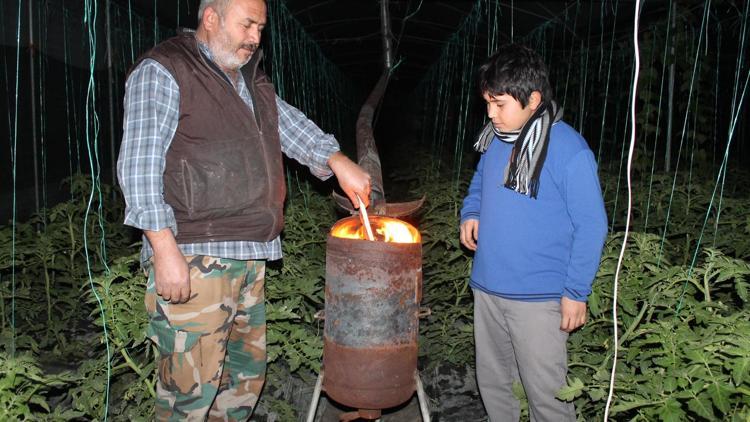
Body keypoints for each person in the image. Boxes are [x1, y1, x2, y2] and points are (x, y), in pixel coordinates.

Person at [116, 0, 371, 419]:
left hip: (251, 253)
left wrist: (337, 160)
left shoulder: (250, 78)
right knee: (188, 396)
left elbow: (289, 127)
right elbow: (139, 166)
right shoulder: (165, 69)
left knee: (243, 383)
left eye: (261, 27)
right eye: (247, 24)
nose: (256, 37)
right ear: (211, 17)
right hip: (196, 257)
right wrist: (164, 250)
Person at [459, 44, 607, 422]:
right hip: (488, 287)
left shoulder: (570, 151)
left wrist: (576, 291)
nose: (491, 114)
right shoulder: (495, 140)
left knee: (548, 397)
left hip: (538, 299)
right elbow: (479, 181)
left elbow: (592, 225)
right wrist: (471, 210)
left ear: (533, 99)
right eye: (487, 103)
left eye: (500, 104)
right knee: (495, 386)